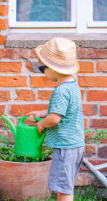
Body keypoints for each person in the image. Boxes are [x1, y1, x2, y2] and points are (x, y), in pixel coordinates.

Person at [24, 37, 85, 201]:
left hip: (65, 147)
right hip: (75, 145)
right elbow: (63, 111)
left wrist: (41, 124)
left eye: (42, 67)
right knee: (64, 186)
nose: (42, 71)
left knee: (64, 190)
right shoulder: (73, 84)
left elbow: (54, 120)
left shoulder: (60, 91)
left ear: (53, 69)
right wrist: (44, 112)